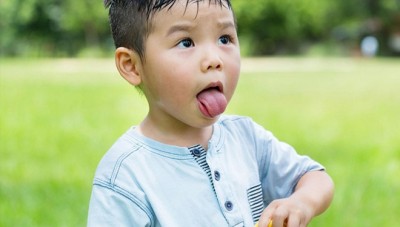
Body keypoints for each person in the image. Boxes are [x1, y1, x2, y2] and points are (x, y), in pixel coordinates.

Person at [87, 0, 334, 226]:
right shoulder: (125, 175)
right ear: (132, 65)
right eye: (186, 42)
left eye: (224, 39)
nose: (214, 59)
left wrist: (301, 203)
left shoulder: (245, 137)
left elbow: (315, 178)